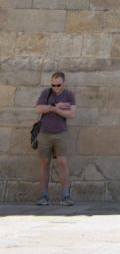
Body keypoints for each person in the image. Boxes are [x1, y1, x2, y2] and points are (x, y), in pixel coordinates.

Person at [34, 70, 76, 206]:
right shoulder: (46, 93)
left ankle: (65, 196)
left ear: (63, 83)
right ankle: (44, 196)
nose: (55, 87)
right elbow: (39, 109)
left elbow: (71, 114)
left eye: (58, 85)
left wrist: (56, 110)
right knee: (44, 163)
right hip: (44, 133)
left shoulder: (69, 95)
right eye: (53, 85)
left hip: (61, 133)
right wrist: (55, 107)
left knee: (63, 163)